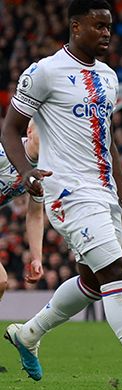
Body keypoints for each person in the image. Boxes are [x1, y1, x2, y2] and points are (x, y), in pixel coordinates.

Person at [0, 0, 122, 390]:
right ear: (75, 26)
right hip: (67, 191)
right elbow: (11, 130)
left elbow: (108, 140)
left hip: (103, 193)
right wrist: (26, 171)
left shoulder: (110, 78)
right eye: (98, 26)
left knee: (92, 282)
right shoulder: (44, 72)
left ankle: (28, 334)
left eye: (109, 27)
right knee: (115, 273)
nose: (106, 34)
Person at [0, 120, 46, 302]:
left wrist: (37, 258)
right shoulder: (5, 153)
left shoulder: (41, 172)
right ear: (30, 132)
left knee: (1, 282)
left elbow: (35, 215)